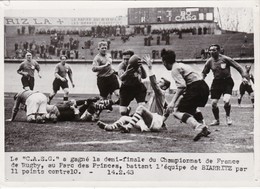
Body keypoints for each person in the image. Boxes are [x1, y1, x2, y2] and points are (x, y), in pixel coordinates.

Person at [98, 54, 171, 133]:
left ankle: (128, 127)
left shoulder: (161, 93)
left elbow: (153, 83)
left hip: (154, 121)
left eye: (160, 82)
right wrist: (163, 122)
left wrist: (150, 68)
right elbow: (168, 108)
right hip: (149, 122)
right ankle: (110, 127)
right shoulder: (159, 96)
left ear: (164, 87)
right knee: (124, 117)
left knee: (141, 108)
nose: (157, 82)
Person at [161, 49, 211, 141]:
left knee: (176, 111)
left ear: (164, 62)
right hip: (204, 87)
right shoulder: (182, 65)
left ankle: (198, 127)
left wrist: (172, 102)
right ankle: (205, 128)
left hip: (195, 88)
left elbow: (182, 86)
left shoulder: (174, 69)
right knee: (192, 108)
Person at [202, 44, 248, 126]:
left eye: (214, 50)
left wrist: (243, 77)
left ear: (218, 51)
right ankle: (217, 120)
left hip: (227, 82)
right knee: (213, 103)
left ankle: (228, 116)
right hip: (216, 82)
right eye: (210, 50)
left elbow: (238, 67)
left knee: (226, 100)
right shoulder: (209, 61)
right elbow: (204, 72)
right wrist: (201, 80)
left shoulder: (226, 59)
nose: (212, 52)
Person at [118, 50, 147, 116]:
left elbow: (144, 77)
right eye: (124, 59)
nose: (125, 61)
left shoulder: (137, 66)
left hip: (137, 87)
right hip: (126, 88)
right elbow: (121, 78)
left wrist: (141, 67)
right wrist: (127, 73)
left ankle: (135, 117)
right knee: (123, 112)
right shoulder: (121, 65)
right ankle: (128, 110)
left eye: (127, 59)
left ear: (132, 59)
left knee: (142, 108)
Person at [47, 97, 114, 122]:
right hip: (77, 116)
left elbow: (74, 104)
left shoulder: (60, 107)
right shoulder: (60, 110)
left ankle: (106, 105)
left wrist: (73, 107)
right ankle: (105, 106)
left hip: (77, 113)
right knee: (90, 106)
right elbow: (77, 119)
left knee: (89, 102)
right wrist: (75, 109)